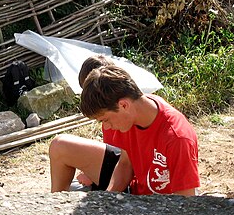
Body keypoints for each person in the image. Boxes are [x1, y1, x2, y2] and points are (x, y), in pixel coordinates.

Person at [49, 56, 199, 196]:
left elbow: (186, 204)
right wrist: (107, 198)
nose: (106, 128)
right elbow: (125, 164)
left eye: (105, 120)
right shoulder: (132, 117)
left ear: (123, 105)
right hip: (135, 198)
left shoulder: (177, 138)